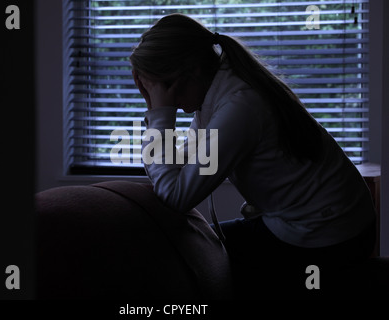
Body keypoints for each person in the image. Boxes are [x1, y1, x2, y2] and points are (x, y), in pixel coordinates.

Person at [129, 13, 376, 298]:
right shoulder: (217, 91)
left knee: (194, 261)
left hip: (330, 236)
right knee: (193, 251)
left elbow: (177, 198)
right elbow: (183, 161)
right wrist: (157, 110)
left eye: (165, 87)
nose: (166, 99)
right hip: (318, 222)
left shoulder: (239, 107)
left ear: (192, 71)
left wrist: (160, 115)